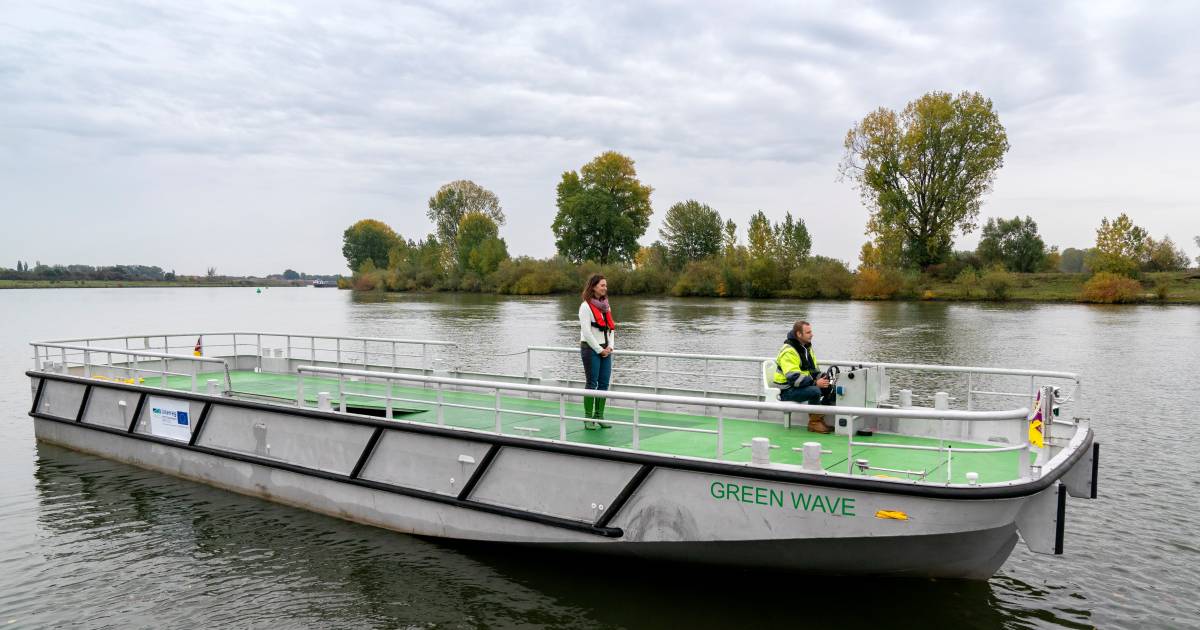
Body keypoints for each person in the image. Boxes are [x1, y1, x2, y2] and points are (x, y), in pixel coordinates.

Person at [773, 320, 835, 433]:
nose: (812, 334)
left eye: (811, 331)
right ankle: (814, 424)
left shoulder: (806, 348)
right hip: (786, 391)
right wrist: (815, 383)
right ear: (799, 334)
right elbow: (794, 379)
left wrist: (825, 377)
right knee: (815, 390)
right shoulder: (789, 351)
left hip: (797, 387)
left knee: (829, 388)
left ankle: (818, 419)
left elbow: (813, 371)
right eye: (808, 332)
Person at [579, 273, 615, 429]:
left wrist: (610, 347)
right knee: (592, 383)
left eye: (606, 285)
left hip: (606, 350)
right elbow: (586, 332)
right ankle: (588, 418)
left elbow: (611, 329)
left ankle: (599, 416)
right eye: (602, 285)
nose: (605, 288)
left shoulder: (606, 306)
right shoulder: (585, 306)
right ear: (593, 287)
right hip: (591, 349)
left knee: (604, 384)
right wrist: (600, 350)